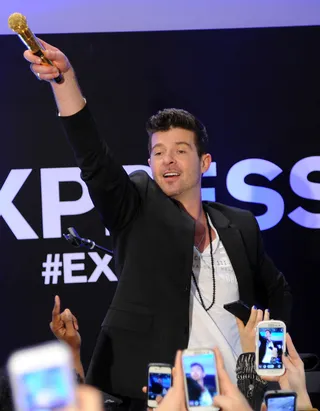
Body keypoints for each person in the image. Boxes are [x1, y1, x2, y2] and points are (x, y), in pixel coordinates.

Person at [23, 40, 292, 408]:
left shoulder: (240, 225)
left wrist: (265, 367)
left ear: (205, 162)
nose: (168, 160)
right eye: (158, 152)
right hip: (159, 398)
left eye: (181, 150)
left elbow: (278, 295)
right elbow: (94, 161)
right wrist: (65, 81)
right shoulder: (136, 205)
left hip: (236, 398)